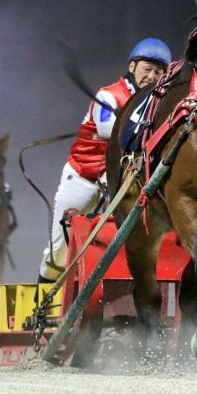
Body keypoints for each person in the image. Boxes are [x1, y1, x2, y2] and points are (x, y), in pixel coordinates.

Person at [37, 37, 171, 283]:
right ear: (132, 67)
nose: (152, 76)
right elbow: (109, 129)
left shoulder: (159, 102)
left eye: (159, 71)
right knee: (58, 253)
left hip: (121, 180)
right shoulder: (108, 95)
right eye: (147, 69)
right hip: (84, 176)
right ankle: (43, 306)